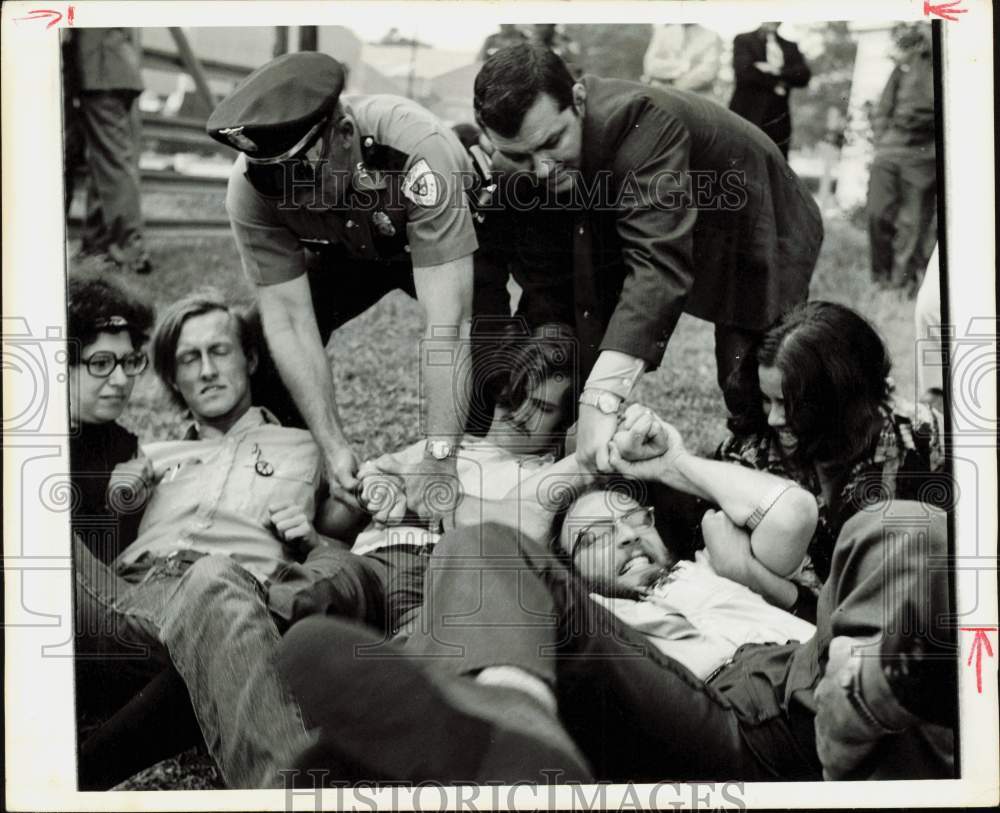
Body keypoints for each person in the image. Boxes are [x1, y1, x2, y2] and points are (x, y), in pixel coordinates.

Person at [277, 416, 955, 782]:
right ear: (564, 569)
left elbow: (792, 510)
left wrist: (669, 466)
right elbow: (498, 561)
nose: (630, 537)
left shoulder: (713, 564)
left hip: (808, 674)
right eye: (599, 534)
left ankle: (871, 692)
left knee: (905, 523)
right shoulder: (581, 625)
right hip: (710, 718)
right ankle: (510, 728)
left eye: (637, 523)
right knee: (483, 547)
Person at [472, 43, 823, 472]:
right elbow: (528, 284)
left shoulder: (642, 120)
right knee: (562, 325)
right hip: (636, 205)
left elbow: (657, 268)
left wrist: (603, 395)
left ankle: (787, 475)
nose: (541, 170)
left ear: (579, 101)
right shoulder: (522, 162)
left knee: (750, 375)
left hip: (751, 213)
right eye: (519, 154)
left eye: (551, 142)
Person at [73, 292, 354, 788]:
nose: (206, 370)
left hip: (223, 601)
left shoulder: (308, 446)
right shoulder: (149, 454)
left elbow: (345, 554)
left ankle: (286, 793)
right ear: (173, 379)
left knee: (212, 574)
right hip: (126, 602)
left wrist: (312, 537)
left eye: (219, 351)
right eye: (188, 358)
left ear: (248, 358)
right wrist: (117, 500)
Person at [207, 51, 480, 522]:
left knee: (500, 357)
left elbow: (448, 328)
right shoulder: (249, 189)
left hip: (438, 237)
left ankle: (490, 479)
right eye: (273, 183)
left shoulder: (418, 150)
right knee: (261, 346)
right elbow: (289, 322)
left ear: (345, 137)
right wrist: (331, 445)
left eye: (302, 178)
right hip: (352, 249)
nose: (292, 197)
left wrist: (440, 455)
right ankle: (293, 474)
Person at [267, 323, 578, 635]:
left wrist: (425, 497)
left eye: (541, 408)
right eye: (515, 396)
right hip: (369, 563)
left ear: (562, 420)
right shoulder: (439, 448)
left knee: (421, 658)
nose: (521, 414)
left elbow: (528, 535)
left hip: (442, 577)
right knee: (295, 597)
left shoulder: (547, 477)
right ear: (499, 388)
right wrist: (365, 496)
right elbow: (331, 523)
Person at [719, 301, 946, 621]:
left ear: (840, 397)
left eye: (789, 403)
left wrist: (752, 574)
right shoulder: (751, 455)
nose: (774, 418)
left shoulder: (920, 436)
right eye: (766, 399)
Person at [67, 273, 154, 563]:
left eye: (128, 362)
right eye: (101, 363)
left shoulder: (123, 447)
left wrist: (125, 508)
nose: (120, 380)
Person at [63, 28, 152, 274]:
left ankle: (130, 249)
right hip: (117, 70)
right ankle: (97, 244)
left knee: (112, 163)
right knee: (104, 161)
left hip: (99, 73)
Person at [867, 23, 937, 294]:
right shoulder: (906, 62)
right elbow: (886, 105)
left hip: (924, 151)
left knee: (913, 223)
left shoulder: (957, 65)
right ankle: (880, 278)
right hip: (891, 146)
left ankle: (899, 286)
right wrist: (882, 138)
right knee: (877, 213)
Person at [728, 23, 811, 158]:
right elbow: (744, 73)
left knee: (775, 162)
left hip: (778, 119)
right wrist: (777, 85)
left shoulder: (789, 46)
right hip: (747, 114)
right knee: (742, 160)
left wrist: (776, 70)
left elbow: (803, 76)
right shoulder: (744, 40)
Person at [642, 24, 722, 95]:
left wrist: (674, 86)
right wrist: (684, 66)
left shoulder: (711, 36)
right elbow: (650, 66)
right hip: (660, 94)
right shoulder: (664, 32)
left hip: (693, 97)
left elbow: (707, 72)